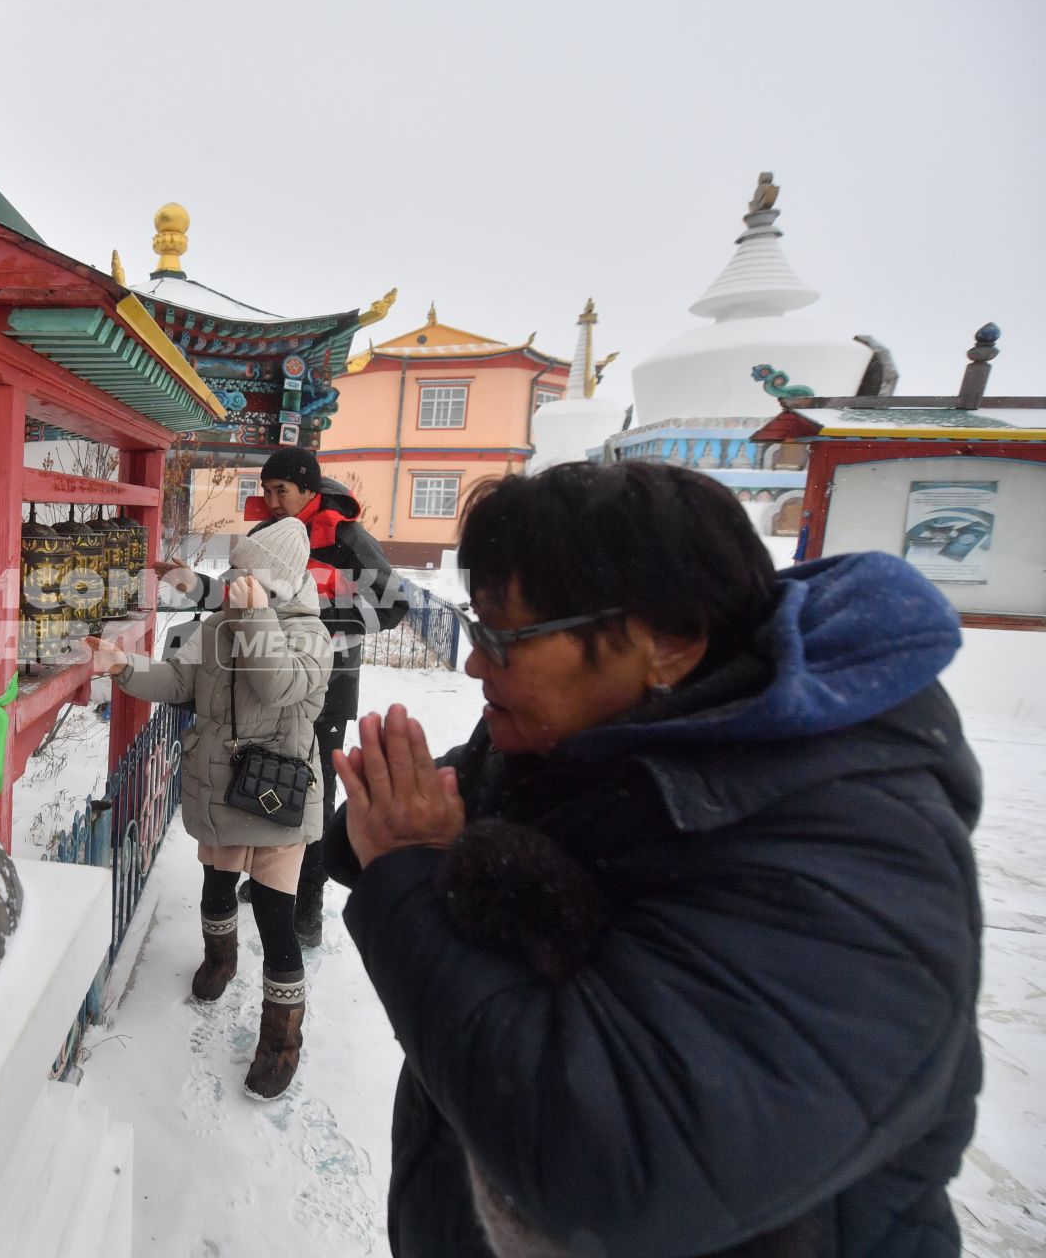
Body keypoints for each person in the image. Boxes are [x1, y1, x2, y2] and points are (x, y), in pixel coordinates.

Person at [323, 461, 982, 1257]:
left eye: (502, 636)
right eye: (476, 625)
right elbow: (380, 848)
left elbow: (610, 1164)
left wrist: (409, 866)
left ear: (668, 642)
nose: (473, 664)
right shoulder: (576, 740)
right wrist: (394, 839)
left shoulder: (856, 847)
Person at [83, 516, 330, 1099]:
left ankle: (281, 1039)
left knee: (275, 919)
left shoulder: (309, 633)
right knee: (215, 889)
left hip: (275, 796)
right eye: (239, 569)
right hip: (219, 784)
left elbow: (277, 685)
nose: (239, 580)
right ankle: (219, 962)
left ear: (281, 583)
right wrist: (123, 667)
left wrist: (255, 616)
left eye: (253, 573)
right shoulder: (219, 625)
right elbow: (178, 680)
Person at [158, 445, 411, 946]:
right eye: (267, 490)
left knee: (308, 801)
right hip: (259, 686)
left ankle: (305, 913)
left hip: (325, 686)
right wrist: (193, 585)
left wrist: (314, 618)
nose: (272, 500)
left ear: (309, 491)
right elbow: (239, 600)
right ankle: (269, 883)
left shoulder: (345, 537)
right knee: (256, 778)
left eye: (282, 490)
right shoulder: (265, 538)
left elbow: (395, 604)